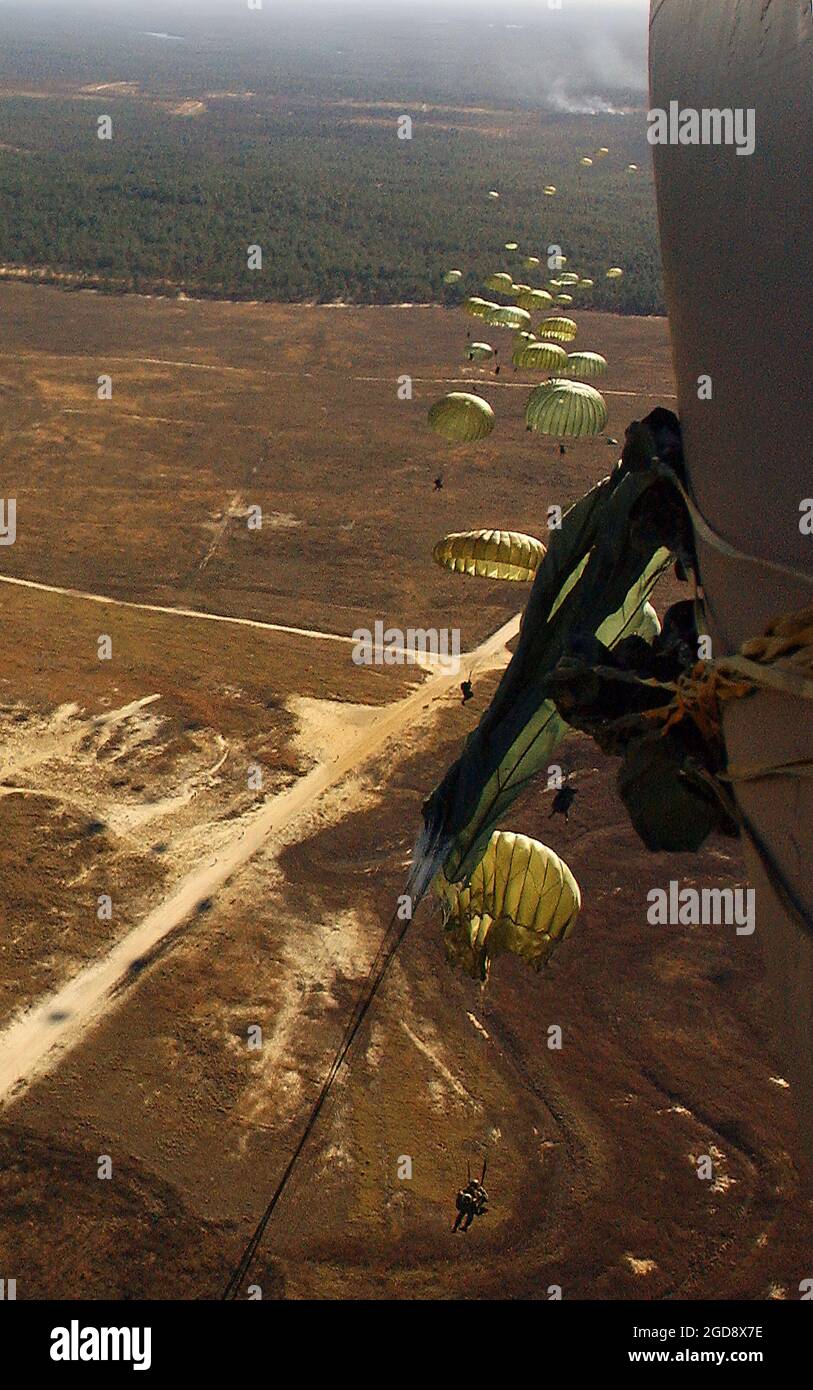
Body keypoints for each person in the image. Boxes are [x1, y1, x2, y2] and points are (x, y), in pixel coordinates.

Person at [452, 1165, 489, 1233]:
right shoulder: (466, 1193)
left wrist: (482, 1192)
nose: (471, 1188)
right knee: (461, 1215)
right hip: (467, 1206)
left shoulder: (479, 1194)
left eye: (473, 1186)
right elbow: (460, 1199)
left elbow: (486, 1198)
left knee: (470, 1215)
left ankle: (464, 1227)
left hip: (473, 1207)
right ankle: (456, 1227)